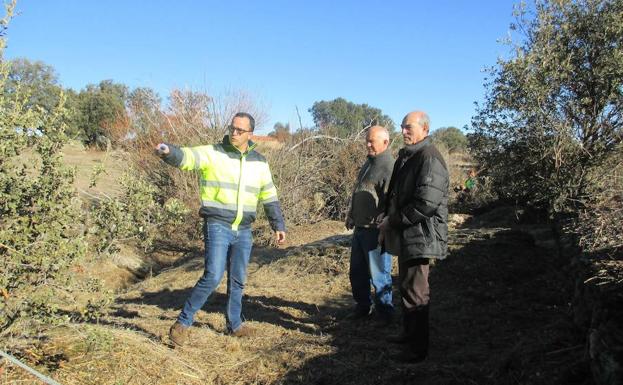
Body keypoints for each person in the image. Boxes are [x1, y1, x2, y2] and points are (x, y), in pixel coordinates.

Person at [155, 112, 286, 347]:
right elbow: (188, 157)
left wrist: (278, 224)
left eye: (240, 130)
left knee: (238, 280)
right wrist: (168, 152)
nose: (234, 133)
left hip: (244, 229)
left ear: (250, 134)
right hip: (217, 224)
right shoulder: (213, 152)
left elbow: (269, 195)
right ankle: (182, 324)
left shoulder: (260, 162)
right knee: (213, 276)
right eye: (232, 128)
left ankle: (234, 325)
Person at [378, 111, 449, 363]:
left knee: (417, 292)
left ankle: (417, 350)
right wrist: (386, 215)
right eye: (402, 127)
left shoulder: (429, 158)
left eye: (409, 127)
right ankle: (409, 336)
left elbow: (426, 203)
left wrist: (393, 220)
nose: (403, 131)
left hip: (422, 235)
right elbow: (395, 194)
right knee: (407, 286)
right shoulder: (408, 157)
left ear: (425, 129)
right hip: (410, 234)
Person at [345, 125, 395, 324]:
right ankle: (363, 307)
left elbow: (392, 200)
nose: (367, 144)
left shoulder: (389, 166)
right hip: (360, 228)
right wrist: (351, 214)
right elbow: (359, 190)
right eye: (366, 140)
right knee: (357, 272)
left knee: (379, 276)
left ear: (385, 142)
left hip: (376, 231)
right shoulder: (368, 163)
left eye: (371, 141)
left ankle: (385, 315)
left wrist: (386, 227)